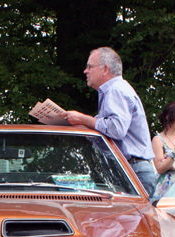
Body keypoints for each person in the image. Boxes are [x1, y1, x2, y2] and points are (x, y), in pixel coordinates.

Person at [65, 47, 156, 197]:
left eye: (89, 66)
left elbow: (116, 129)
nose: (85, 71)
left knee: (131, 220)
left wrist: (83, 119)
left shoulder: (116, 90)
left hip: (133, 171)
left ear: (105, 69)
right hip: (132, 169)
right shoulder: (116, 89)